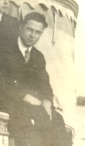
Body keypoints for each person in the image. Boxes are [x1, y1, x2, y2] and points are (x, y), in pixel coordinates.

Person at [5, 12, 72, 146]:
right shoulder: (5, 50)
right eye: (30, 30)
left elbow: (45, 85)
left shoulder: (38, 57)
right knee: (26, 123)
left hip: (35, 105)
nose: (32, 35)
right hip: (10, 102)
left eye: (37, 32)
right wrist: (24, 96)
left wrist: (47, 101)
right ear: (21, 28)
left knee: (57, 119)